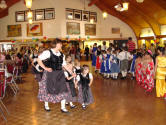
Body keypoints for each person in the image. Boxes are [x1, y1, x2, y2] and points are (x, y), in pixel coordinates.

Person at [37, 38, 70, 113]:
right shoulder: (47, 52)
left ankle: (63, 107)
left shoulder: (61, 54)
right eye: (60, 44)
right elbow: (39, 59)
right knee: (48, 89)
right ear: (56, 44)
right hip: (50, 74)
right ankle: (46, 105)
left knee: (63, 89)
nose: (61, 45)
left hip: (60, 74)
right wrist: (45, 68)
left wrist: (70, 72)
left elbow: (64, 64)